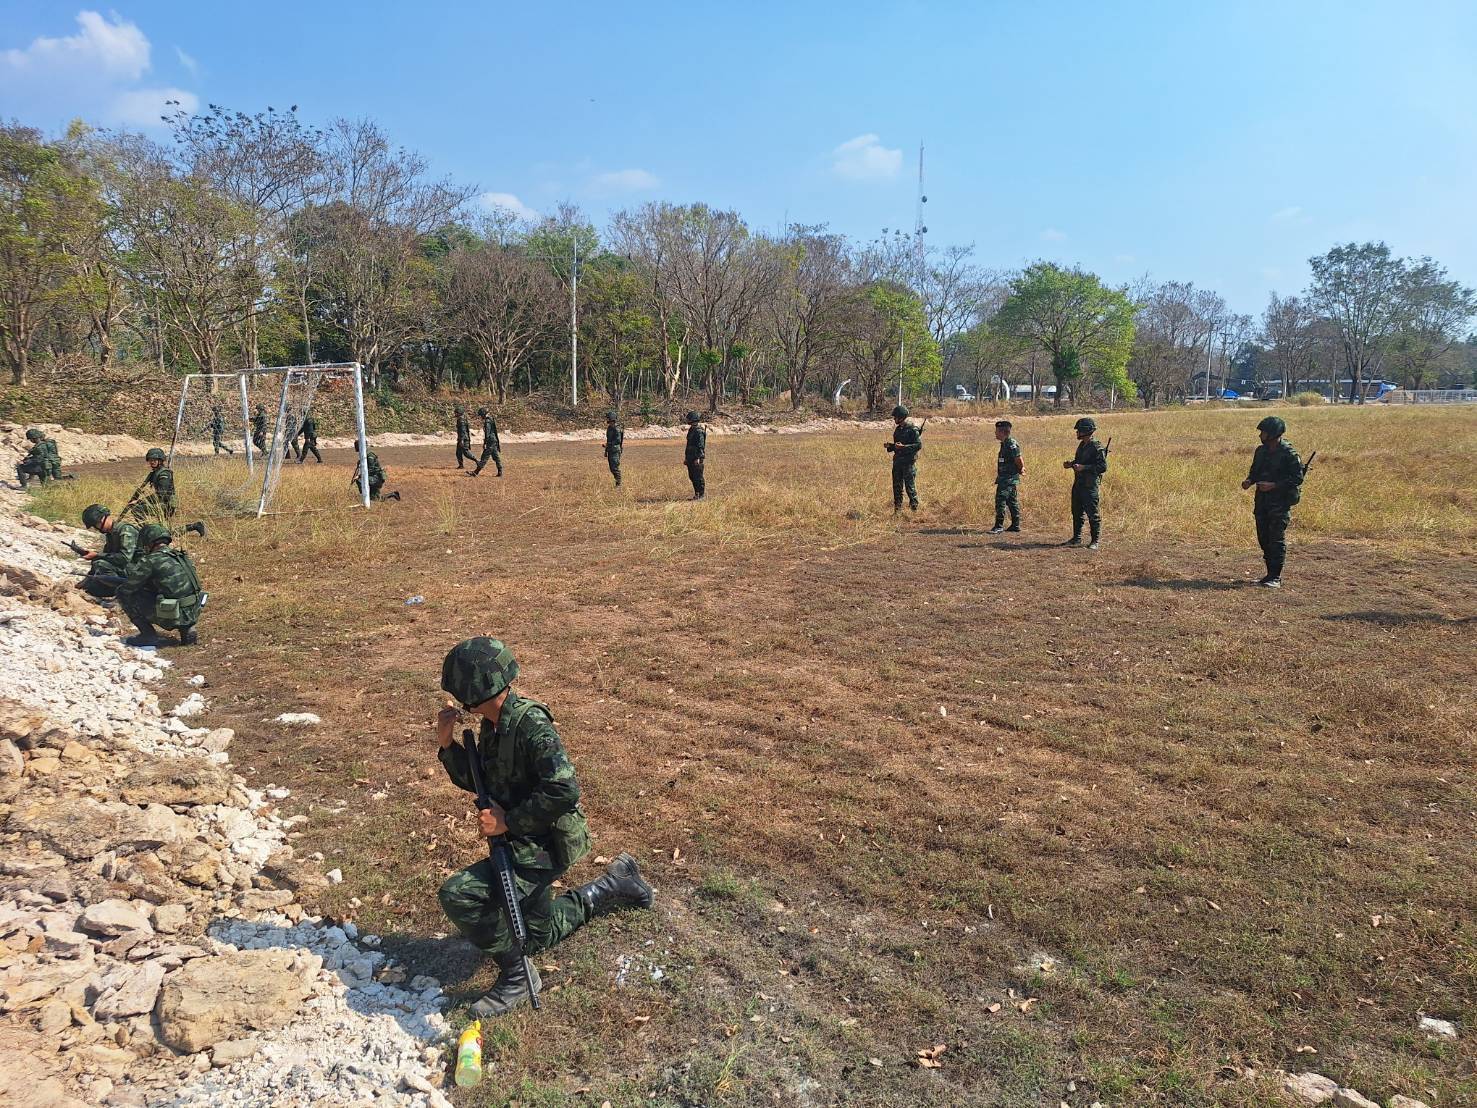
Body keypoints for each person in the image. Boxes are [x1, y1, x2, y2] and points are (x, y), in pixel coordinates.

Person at [436, 637, 654, 1016]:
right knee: (535, 936)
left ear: (472, 696)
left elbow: (564, 790)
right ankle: (614, 884)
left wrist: (507, 822)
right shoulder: (493, 724)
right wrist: (448, 746)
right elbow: (484, 781)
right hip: (523, 837)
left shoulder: (531, 725)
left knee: (459, 895)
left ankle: (518, 978)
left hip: (545, 843)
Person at [1241, 415, 1304, 588]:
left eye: (1264, 432)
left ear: (1273, 433)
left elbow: (1297, 479)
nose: (1260, 435)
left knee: (1276, 539)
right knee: (1264, 538)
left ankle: (1275, 577)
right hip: (1262, 501)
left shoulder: (1289, 454)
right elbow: (1255, 471)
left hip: (1279, 503)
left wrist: (1274, 485)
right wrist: (1249, 481)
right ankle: (1269, 575)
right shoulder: (1261, 451)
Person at [117, 523, 204, 647]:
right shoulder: (181, 556)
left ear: (149, 543)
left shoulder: (150, 560)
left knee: (122, 593)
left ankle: (147, 635)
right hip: (194, 609)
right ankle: (187, 628)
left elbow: (129, 588)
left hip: (174, 614)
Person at [1061, 417, 1107, 549]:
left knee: (1093, 514)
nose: (1077, 433)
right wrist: (1071, 464)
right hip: (1079, 484)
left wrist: (1084, 468)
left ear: (1086, 431)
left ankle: (1095, 541)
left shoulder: (1096, 447)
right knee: (1076, 512)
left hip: (1089, 485)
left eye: (1079, 430)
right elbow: (1079, 461)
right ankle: (1076, 538)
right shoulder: (1082, 445)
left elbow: (1102, 467)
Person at [76, 504, 139, 599]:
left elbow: (124, 558)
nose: (96, 529)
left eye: (95, 525)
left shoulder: (125, 530)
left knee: (100, 564)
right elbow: (106, 557)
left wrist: (97, 555)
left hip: (138, 570)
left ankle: (125, 593)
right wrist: (84, 582)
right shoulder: (110, 534)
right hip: (127, 569)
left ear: (101, 520)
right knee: (92, 588)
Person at [884, 404, 921, 513]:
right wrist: (890, 446)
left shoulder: (912, 429)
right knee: (897, 487)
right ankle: (897, 510)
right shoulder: (898, 430)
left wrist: (904, 447)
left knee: (910, 488)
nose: (894, 419)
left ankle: (914, 509)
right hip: (897, 463)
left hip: (908, 463)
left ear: (901, 417)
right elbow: (897, 446)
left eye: (895, 417)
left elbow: (918, 445)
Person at [988, 419, 1023, 534]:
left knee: (1000, 500)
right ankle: (1015, 525)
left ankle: (999, 526)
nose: (995, 433)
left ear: (1002, 432)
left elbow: (1018, 458)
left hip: (1008, 479)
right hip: (1006, 478)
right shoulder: (1004, 444)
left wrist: (1021, 469)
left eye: (997, 431)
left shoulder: (1011, 444)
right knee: (1012, 501)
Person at [127, 448, 178, 521]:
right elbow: (143, 487)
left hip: (168, 506)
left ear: (160, 461)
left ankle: (146, 528)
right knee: (137, 506)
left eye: (154, 460)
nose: (152, 462)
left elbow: (161, 494)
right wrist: (136, 498)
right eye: (150, 460)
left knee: (136, 509)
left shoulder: (164, 473)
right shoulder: (155, 473)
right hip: (162, 502)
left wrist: (139, 501)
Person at [470, 407, 503, 478]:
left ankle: (476, 472)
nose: (480, 417)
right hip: (493, 440)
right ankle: (500, 471)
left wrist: (485, 443)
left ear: (483, 414)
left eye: (481, 415)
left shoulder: (487, 421)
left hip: (490, 441)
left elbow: (487, 433)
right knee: (496, 457)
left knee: (484, 457)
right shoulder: (491, 419)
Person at [683, 411, 706, 499]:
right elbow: (688, 444)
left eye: (689, 419)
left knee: (698, 477)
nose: (687, 420)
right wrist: (686, 458)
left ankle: (701, 495)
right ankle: (697, 494)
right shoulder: (691, 430)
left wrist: (698, 458)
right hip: (690, 457)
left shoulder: (699, 431)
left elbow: (701, 445)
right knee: (692, 476)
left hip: (696, 457)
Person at [603, 410, 624, 488]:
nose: (607, 419)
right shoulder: (609, 428)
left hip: (615, 450)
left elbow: (618, 440)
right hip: (610, 450)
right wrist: (606, 450)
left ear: (611, 419)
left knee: (615, 467)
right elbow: (608, 440)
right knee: (612, 468)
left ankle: (619, 484)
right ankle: (617, 483)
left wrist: (608, 444)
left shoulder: (617, 429)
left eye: (608, 418)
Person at [454, 405, 474, 470]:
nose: (455, 414)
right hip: (461, 438)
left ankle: (477, 461)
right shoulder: (461, 419)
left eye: (456, 413)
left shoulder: (461, 420)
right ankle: (461, 465)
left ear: (459, 413)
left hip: (464, 439)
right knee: (458, 453)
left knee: (466, 453)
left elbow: (463, 431)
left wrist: (462, 440)